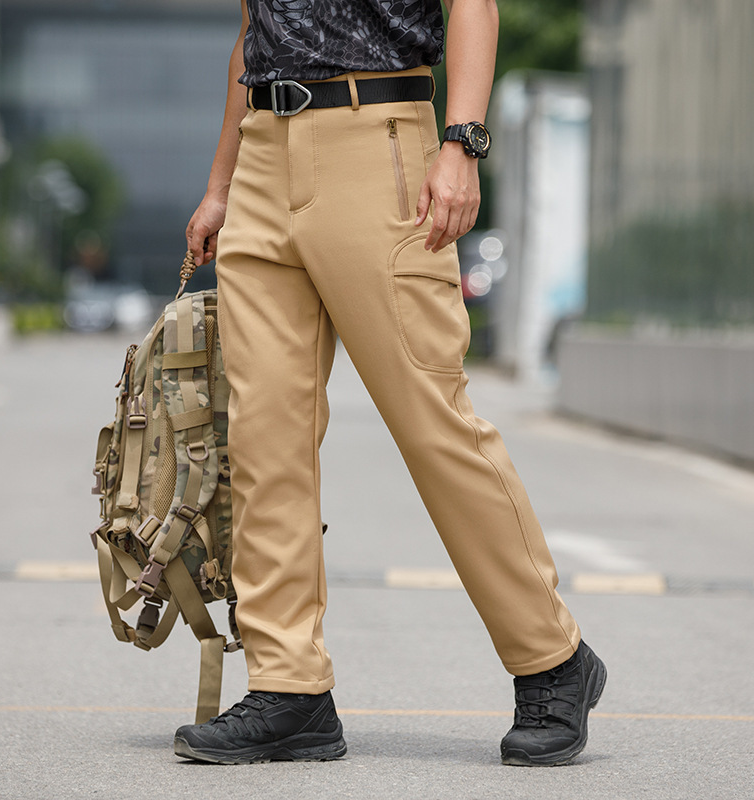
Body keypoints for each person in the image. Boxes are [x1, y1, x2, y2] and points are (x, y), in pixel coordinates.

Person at [174, 0, 606, 767]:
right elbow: (252, 32)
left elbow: (473, 6)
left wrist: (463, 144)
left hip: (377, 142)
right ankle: (289, 686)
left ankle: (552, 657)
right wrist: (221, 183)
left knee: (432, 422)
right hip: (263, 154)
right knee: (266, 441)